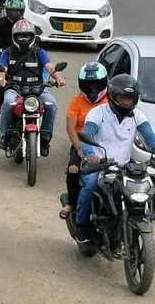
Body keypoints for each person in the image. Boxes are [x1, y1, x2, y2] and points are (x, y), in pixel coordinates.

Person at [74, 74, 155, 242]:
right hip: (100, 165)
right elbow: (87, 136)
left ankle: (136, 221)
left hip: (124, 166)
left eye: (130, 98)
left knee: (144, 188)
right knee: (90, 186)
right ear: (113, 96)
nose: (127, 102)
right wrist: (91, 156)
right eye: (123, 98)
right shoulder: (97, 113)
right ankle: (81, 226)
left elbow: (150, 137)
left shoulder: (138, 115)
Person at [0, 20, 66, 155]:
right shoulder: (7, 52)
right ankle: (4, 136)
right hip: (15, 88)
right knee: (8, 103)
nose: (23, 39)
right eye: (20, 36)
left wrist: (59, 78)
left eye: (27, 35)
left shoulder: (39, 52)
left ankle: (45, 139)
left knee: (52, 105)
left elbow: (50, 67)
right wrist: (1, 79)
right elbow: (2, 70)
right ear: (14, 36)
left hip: (38, 88)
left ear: (32, 36)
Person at [58, 61, 109, 220]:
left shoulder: (111, 101)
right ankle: (72, 202)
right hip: (81, 143)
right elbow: (70, 127)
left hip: (105, 144)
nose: (92, 89)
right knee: (74, 169)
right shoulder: (77, 102)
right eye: (88, 85)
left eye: (96, 84)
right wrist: (80, 149)